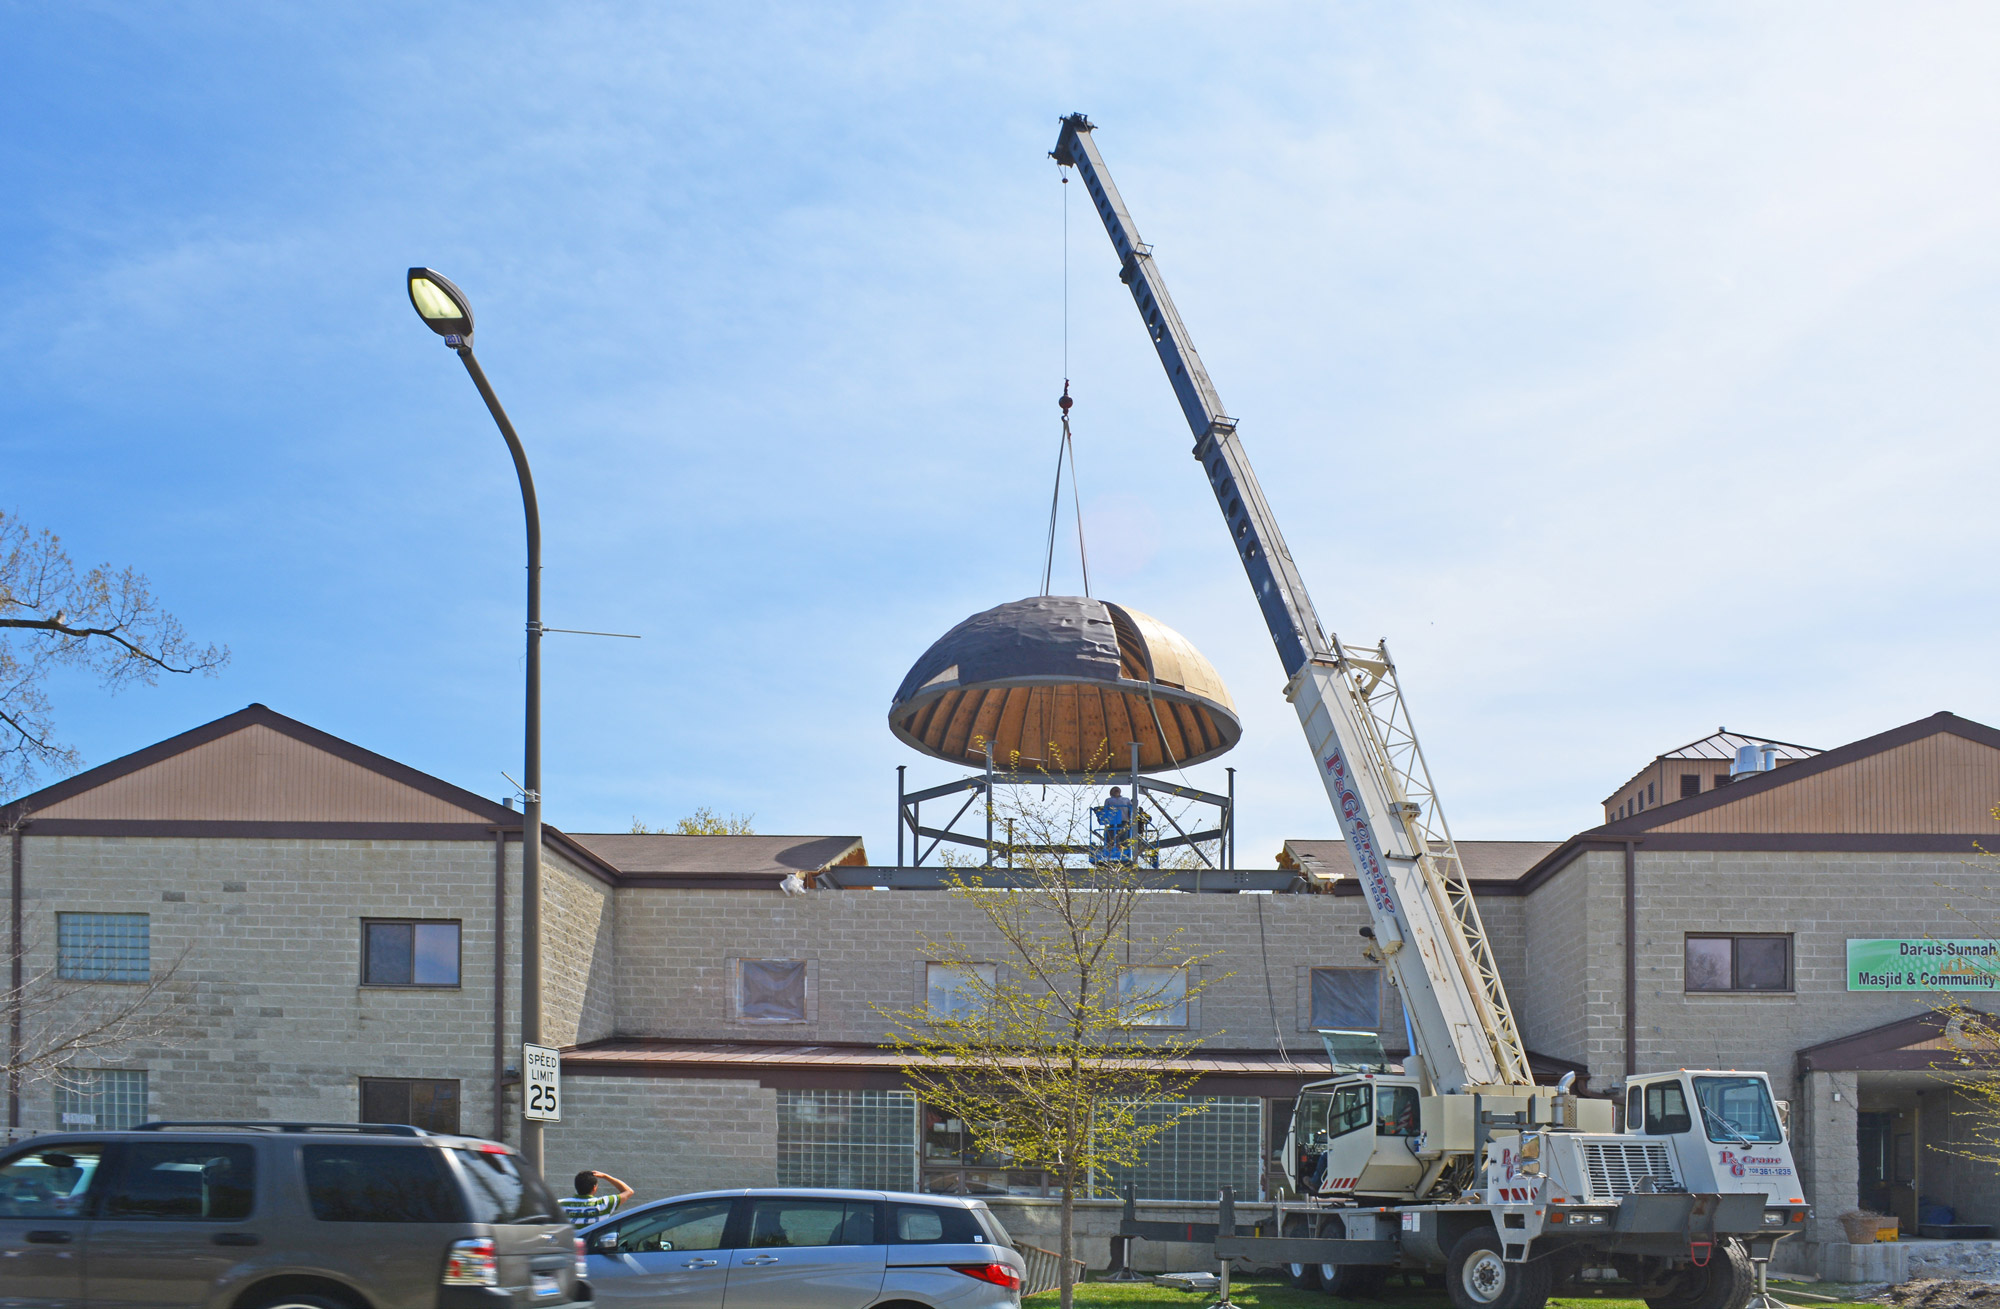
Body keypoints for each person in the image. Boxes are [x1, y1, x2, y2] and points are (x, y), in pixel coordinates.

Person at [562, 1169, 634, 1228]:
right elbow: (628, 1191)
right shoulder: (604, 1203)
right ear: (594, 1187)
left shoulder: (561, 1204)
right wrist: (606, 1176)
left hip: (570, 1244)